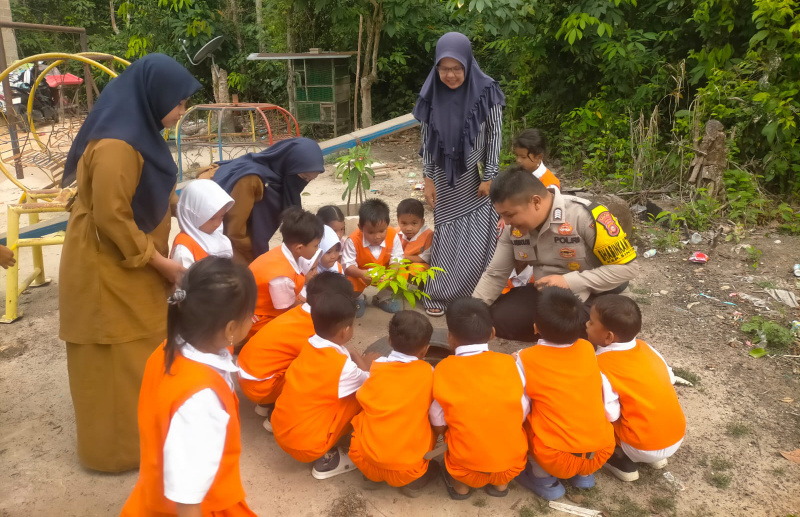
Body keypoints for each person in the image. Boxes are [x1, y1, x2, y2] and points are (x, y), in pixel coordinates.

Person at [59, 53, 200, 472]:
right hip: (106, 264)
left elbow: (146, 194)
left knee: (140, 350)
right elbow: (112, 217)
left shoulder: (139, 136)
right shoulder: (117, 146)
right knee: (112, 357)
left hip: (132, 258)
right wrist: (162, 264)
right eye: (179, 102)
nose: (182, 111)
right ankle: (115, 454)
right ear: (154, 96)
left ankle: (146, 438)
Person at [120, 257, 258, 517]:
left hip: (153, 494)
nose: (253, 319)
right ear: (230, 328)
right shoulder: (201, 399)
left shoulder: (166, 350)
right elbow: (187, 496)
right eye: (251, 315)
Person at [473, 168, 639, 341]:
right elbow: (495, 274)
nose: (506, 223)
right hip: (548, 295)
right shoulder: (512, 228)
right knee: (493, 318)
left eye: (510, 215)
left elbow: (629, 268)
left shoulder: (585, 216)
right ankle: (551, 334)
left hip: (595, 294)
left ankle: (559, 337)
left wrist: (569, 282)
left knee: (591, 329)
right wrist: (470, 315)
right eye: (502, 216)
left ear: (536, 202)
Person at [413, 32, 505, 317]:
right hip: (442, 178)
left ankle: (476, 297)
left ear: (467, 63)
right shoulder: (430, 93)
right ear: (436, 67)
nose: (450, 75)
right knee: (446, 233)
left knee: (478, 237)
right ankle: (441, 294)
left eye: (456, 68)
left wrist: (490, 176)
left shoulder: (487, 90)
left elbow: (495, 136)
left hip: (477, 179)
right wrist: (428, 178)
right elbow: (427, 139)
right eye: (444, 68)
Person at [515, 287, 615, 501]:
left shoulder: (526, 358)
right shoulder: (588, 349)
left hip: (554, 457)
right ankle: (584, 476)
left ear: (535, 327)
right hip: (600, 453)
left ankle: (543, 478)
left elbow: (520, 406)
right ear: (581, 325)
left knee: (527, 415)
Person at [271, 287, 379, 479]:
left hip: (280, 429)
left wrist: (351, 354)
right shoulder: (342, 367)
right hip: (307, 447)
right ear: (345, 331)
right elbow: (370, 382)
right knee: (362, 398)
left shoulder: (310, 344)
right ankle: (330, 459)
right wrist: (363, 359)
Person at [431, 298, 529, 500]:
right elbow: (522, 409)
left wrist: (446, 431)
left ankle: (461, 489)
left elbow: (437, 418)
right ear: (492, 333)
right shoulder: (510, 364)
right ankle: (500, 487)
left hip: (465, 468)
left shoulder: (443, 369)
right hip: (510, 465)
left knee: (452, 434)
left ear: (449, 338)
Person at [586, 295, 686, 482]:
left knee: (590, 408)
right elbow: (670, 378)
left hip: (638, 445)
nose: (586, 324)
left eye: (591, 322)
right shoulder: (646, 348)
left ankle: (618, 457)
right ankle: (654, 456)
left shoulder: (600, 364)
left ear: (608, 337)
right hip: (675, 436)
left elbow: (610, 414)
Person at [237, 272, 353, 431]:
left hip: (249, 375)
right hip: (261, 385)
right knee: (321, 374)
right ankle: (276, 415)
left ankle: (265, 404)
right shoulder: (318, 329)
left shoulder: (299, 311)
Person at [348, 311, 439, 497]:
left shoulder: (377, 366)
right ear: (426, 349)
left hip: (366, 462)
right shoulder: (429, 373)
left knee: (364, 415)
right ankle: (414, 483)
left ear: (389, 340)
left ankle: (373, 477)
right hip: (407, 470)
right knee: (429, 419)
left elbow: (364, 391)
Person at [212, 137, 324, 264]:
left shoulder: (281, 181)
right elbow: (234, 230)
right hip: (226, 243)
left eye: (310, 180)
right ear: (288, 163)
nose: (304, 182)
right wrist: (255, 257)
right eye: (304, 177)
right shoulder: (252, 179)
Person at [248, 207, 323, 336]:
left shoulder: (285, 252)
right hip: (258, 318)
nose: (317, 249)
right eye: (315, 246)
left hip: (271, 305)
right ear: (299, 248)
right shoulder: (281, 277)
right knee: (307, 329)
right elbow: (287, 308)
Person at [342, 199, 403, 315]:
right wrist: (362, 274)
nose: (377, 236)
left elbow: (397, 257)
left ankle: (382, 297)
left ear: (387, 225)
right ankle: (359, 298)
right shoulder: (353, 240)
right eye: (371, 232)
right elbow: (347, 265)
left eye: (382, 231)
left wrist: (390, 274)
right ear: (360, 227)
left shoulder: (392, 234)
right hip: (361, 274)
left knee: (401, 272)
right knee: (349, 280)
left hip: (385, 272)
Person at [170, 179, 235, 268]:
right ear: (193, 215)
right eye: (211, 219)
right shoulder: (184, 249)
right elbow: (184, 276)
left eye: (222, 216)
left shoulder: (217, 236)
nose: (217, 224)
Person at [396, 198, 433, 270]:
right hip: (401, 261)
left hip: (419, 264)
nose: (408, 228)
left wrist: (404, 257)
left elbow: (424, 258)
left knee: (415, 269)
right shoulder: (396, 232)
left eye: (414, 223)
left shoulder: (429, 235)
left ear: (422, 222)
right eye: (404, 223)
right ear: (398, 221)